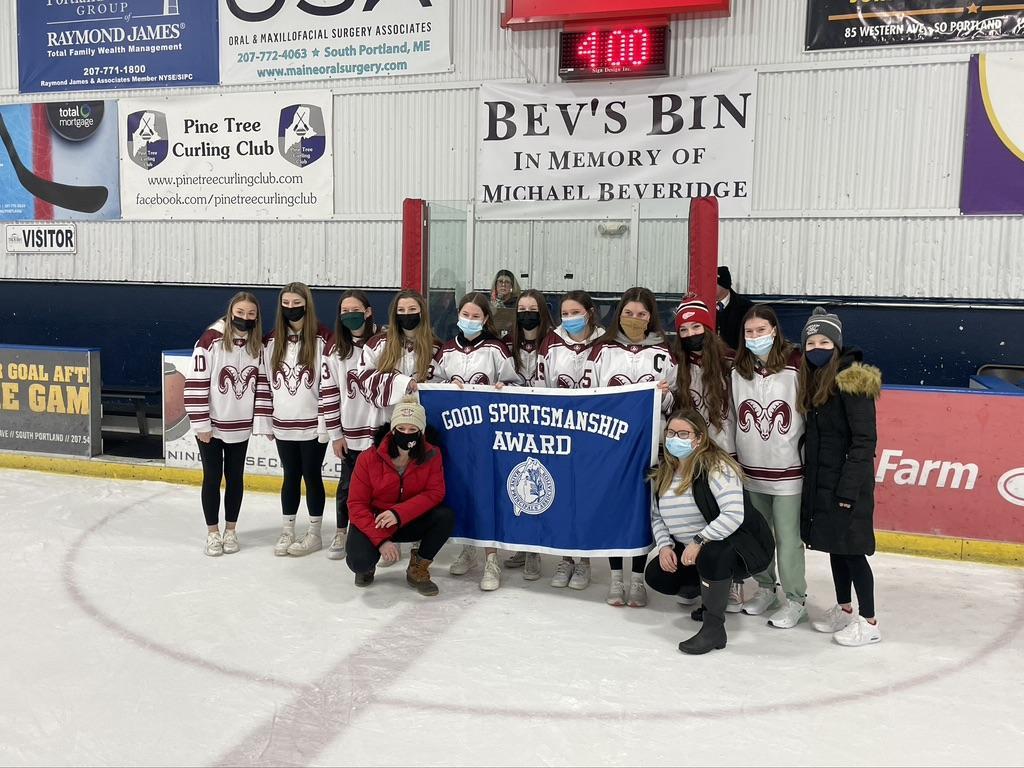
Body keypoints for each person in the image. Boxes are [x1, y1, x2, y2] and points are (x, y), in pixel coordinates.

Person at [644, 409, 774, 654]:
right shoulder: (664, 472)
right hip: (696, 547)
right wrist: (664, 547)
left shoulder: (716, 466)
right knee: (657, 574)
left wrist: (699, 540)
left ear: (699, 438)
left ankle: (714, 628)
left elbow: (734, 514)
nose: (675, 439)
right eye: (671, 433)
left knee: (714, 554)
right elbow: (657, 516)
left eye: (683, 433)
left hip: (741, 546)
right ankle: (708, 592)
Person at [583, 286, 677, 608]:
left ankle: (637, 578)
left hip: (649, 444)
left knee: (642, 509)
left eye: (641, 314)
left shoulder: (664, 353)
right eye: (628, 313)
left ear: (651, 317)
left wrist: (664, 395)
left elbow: (674, 400)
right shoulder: (601, 351)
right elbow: (587, 397)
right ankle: (615, 577)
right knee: (614, 508)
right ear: (618, 314)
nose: (634, 319)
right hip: (610, 446)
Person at [797, 307, 883, 646]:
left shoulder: (852, 379)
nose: (816, 347)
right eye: (810, 342)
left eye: (824, 341)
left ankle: (870, 620)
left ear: (837, 344)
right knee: (835, 547)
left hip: (849, 485)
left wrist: (848, 491)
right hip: (825, 481)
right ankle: (845, 609)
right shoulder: (817, 378)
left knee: (853, 550)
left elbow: (865, 440)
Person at [731, 304, 807, 628]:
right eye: (749, 332)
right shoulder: (737, 372)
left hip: (789, 471)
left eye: (761, 331)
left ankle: (795, 599)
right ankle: (765, 588)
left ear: (774, 331)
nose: (755, 336)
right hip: (751, 470)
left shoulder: (796, 366)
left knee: (788, 538)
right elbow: (733, 416)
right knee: (759, 535)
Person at [522, 290, 605, 588]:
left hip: (592, 432)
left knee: (584, 496)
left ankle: (583, 560)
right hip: (558, 432)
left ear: (590, 312)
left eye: (575, 312)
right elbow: (542, 386)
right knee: (561, 495)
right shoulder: (552, 342)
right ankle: (564, 557)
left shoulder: (605, 343)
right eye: (565, 314)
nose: (569, 319)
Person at [438, 292, 520, 591]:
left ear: (485, 319)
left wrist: (504, 386)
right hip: (456, 436)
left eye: (476, 316)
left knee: (488, 494)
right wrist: (446, 386)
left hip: (488, 438)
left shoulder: (496, 349)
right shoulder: (447, 350)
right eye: (465, 315)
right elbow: (432, 385)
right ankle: (468, 548)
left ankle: (491, 557)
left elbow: (515, 382)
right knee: (460, 491)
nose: (469, 321)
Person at [355, 290, 441, 568]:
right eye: (401, 310)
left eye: (412, 309)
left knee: (417, 481)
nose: (407, 314)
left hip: (423, 428)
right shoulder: (377, 344)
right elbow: (363, 379)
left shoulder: (437, 346)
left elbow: (447, 382)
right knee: (390, 483)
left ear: (422, 312)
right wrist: (404, 384)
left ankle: (417, 542)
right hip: (387, 426)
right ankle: (384, 535)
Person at [255, 282, 341, 557]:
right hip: (283, 424)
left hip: (313, 425)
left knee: (312, 476)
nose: (291, 308)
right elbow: (265, 384)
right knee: (290, 476)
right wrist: (266, 421)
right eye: (286, 304)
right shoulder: (270, 341)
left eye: (296, 303)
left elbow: (329, 383)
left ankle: (314, 533)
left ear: (307, 304)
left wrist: (325, 423)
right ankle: (287, 529)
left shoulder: (324, 339)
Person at [672, 298, 743, 610]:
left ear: (709, 328)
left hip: (725, 453)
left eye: (696, 326)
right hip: (691, 454)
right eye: (684, 329)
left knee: (725, 519)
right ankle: (692, 578)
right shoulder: (678, 364)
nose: (690, 334)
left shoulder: (731, 362)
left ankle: (733, 581)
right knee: (693, 516)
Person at [345, 397, 454, 596]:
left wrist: (398, 513)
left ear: (421, 432)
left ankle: (417, 568)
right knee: (358, 562)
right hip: (376, 521)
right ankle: (368, 566)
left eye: (412, 430)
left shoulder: (432, 455)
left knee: (445, 516)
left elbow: (435, 493)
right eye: (401, 428)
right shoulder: (368, 458)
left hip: (408, 519)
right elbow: (356, 504)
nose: (406, 434)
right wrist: (380, 541)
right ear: (392, 429)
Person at [186, 291, 263, 556]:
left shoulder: (257, 345)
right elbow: (195, 383)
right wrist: (201, 424)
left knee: (235, 478)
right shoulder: (210, 340)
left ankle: (231, 530)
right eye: (240, 313)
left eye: (251, 314)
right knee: (212, 477)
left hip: (240, 426)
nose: (245, 318)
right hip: (211, 426)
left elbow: (262, 385)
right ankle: (212, 532)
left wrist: (260, 422)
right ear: (231, 312)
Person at [324, 290, 382, 561]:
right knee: (348, 486)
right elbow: (328, 392)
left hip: (381, 429)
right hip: (351, 432)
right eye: (344, 311)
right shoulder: (335, 349)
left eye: (355, 309)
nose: (350, 315)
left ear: (369, 311)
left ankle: (383, 535)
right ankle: (341, 530)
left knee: (383, 488)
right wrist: (335, 434)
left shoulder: (385, 341)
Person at [501, 289, 554, 579]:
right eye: (521, 308)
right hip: (516, 425)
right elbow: (502, 379)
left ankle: (535, 549)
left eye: (532, 308)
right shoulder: (507, 343)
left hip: (548, 425)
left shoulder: (554, 341)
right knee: (520, 485)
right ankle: (523, 544)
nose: (527, 313)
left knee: (541, 485)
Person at [715, 266, 754, 351]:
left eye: (713, 284)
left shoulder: (746, 308)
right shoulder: (701, 305)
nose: (708, 288)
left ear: (724, 285)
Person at [490, 269, 522, 336]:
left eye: (507, 282)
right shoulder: (489, 302)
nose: (503, 285)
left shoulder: (518, 303)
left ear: (512, 286)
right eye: (500, 281)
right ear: (496, 284)